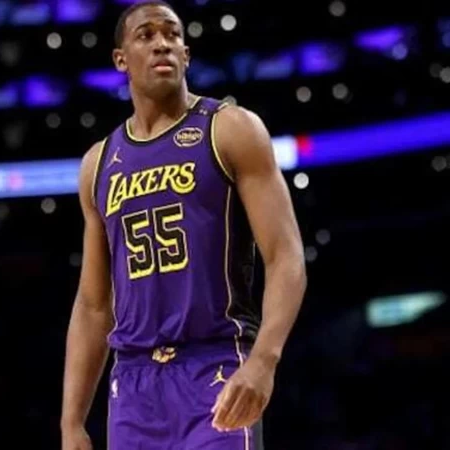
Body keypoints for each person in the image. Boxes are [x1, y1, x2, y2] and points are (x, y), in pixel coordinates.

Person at [61, 1, 307, 449]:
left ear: (187, 55)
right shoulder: (98, 164)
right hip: (132, 383)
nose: (163, 44)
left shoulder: (230, 129)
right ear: (121, 60)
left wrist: (263, 360)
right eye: (146, 35)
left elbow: (285, 255)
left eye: (172, 35)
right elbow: (94, 304)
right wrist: (72, 421)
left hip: (214, 363)